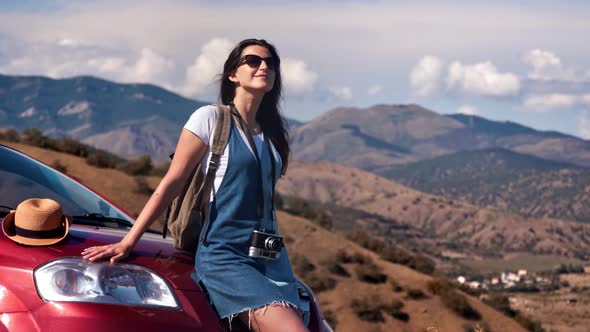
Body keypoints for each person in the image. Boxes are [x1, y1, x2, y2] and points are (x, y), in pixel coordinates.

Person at [82, 39, 308, 332]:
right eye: (253, 60)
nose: (264, 66)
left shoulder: (273, 134)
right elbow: (171, 183)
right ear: (233, 75)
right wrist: (128, 241)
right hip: (226, 256)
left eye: (271, 63)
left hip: (271, 257)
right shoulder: (211, 119)